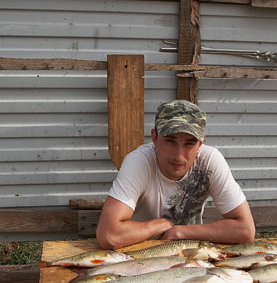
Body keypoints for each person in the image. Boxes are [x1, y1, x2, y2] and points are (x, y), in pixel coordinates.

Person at [96, 99, 255, 249]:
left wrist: (178, 232)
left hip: (187, 253)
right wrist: (159, 225)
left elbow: (246, 230)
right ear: (154, 138)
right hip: (138, 253)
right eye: (170, 141)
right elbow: (109, 235)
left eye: (189, 144)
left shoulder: (209, 161)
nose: (179, 156)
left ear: (200, 143)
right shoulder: (139, 162)